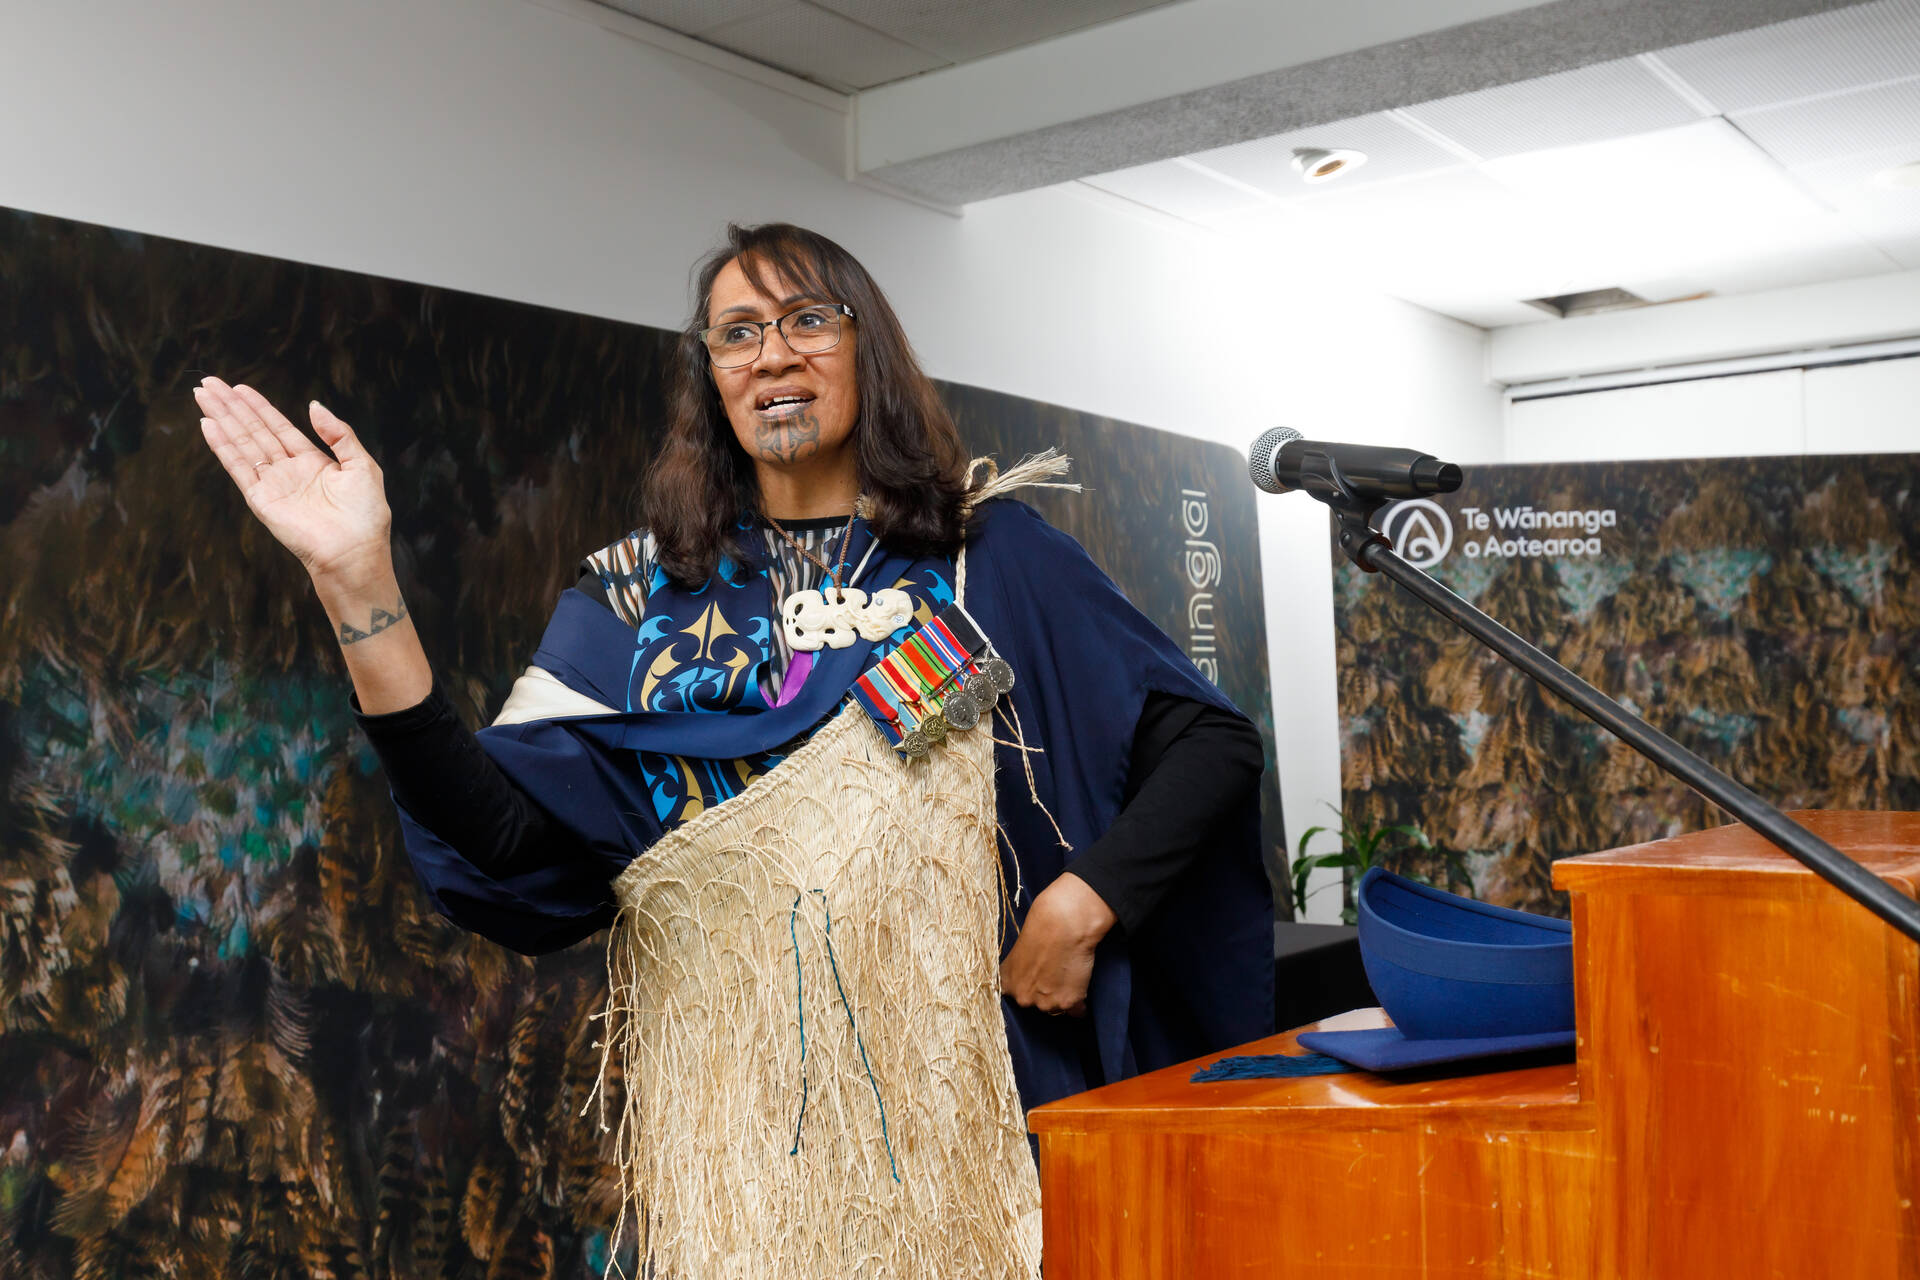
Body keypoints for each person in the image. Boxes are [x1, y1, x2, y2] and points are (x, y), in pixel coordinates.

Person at [193, 222, 1271, 1277]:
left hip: (975, 1122)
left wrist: (1084, 902)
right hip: (750, 1155)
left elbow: (1209, 743)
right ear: (711, 376)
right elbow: (502, 834)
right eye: (738, 332)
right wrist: (358, 585)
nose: (773, 354)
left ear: (867, 346)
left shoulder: (986, 560)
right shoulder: (633, 597)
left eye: (808, 320)